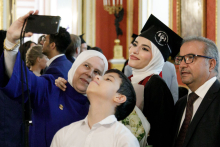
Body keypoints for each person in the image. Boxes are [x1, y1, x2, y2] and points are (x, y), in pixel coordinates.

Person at [0, 10, 108, 147]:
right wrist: (10, 42)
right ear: (75, 66)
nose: (89, 73)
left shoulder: (98, 108)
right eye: (86, 66)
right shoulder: (51, 87)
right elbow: (19, 79)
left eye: (97, 71)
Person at [127, 14, 182, 147]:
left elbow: (161, 136)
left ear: (156, 58)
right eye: (135, 44)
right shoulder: (128, 80)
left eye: (145, 49)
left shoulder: (156, 85)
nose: (135, 51)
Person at [51, 69, 139, 147]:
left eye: (108, 79)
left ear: (119, 98)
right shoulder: (64, 134)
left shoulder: (124, 140)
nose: (96, 77)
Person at [172, 36, 220, 147]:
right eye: (181, 59)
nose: (182, 65)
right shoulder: (181, 104)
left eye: (190, 58)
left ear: (211, 64)